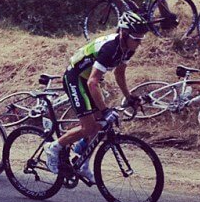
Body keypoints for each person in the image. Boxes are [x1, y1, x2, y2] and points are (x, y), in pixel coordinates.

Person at [43, 11, 149, 183]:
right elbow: (92, 82)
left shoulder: (128, 48)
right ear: (123, 33)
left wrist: (129, 96)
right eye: (136, 39)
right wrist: (105, 109)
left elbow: (119, 74)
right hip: (75, 78)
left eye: (141, 39)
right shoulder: (110, 48)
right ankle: (53, 148)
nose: (138, 43)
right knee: (89, 127)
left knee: (100, 125)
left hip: (89, 79)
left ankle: (82, 162)